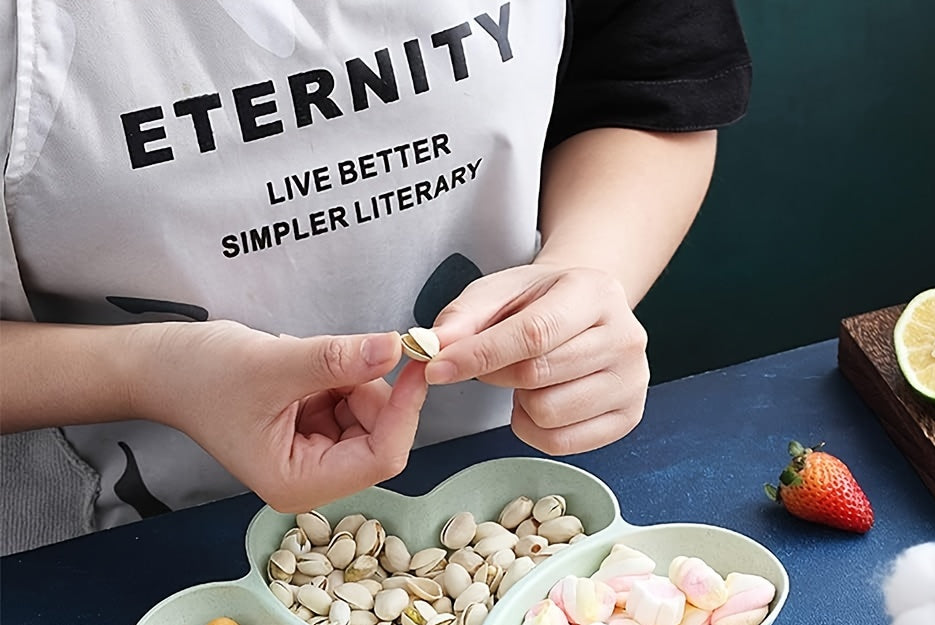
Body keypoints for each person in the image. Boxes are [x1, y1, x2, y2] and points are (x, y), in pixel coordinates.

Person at [0, 1, 751, 555]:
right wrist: (153, 373)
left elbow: (650, 85)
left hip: (518, 499)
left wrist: (579, 280)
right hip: (117, 546)